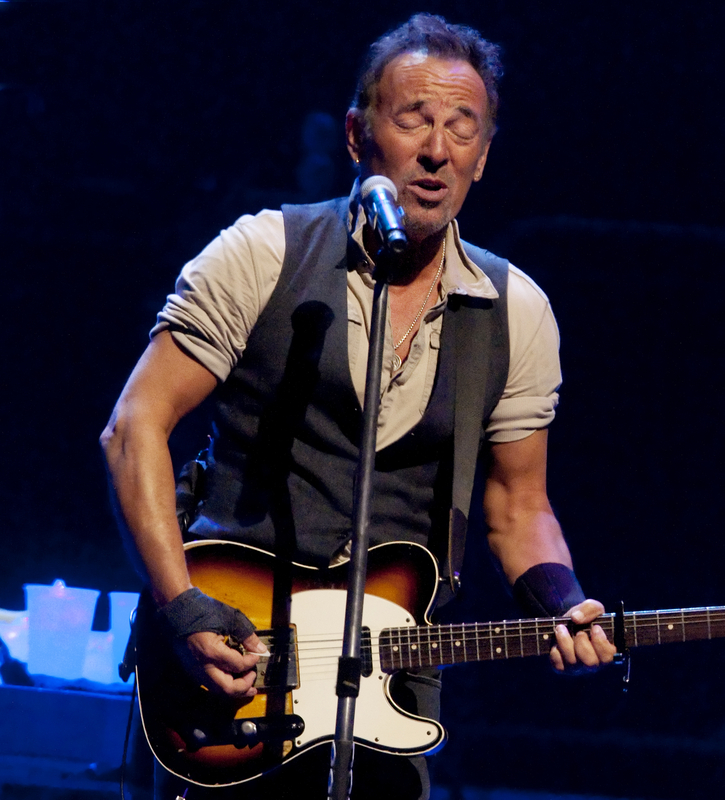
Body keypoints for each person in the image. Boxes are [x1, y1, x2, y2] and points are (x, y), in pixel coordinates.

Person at [101, 13, 616, 800]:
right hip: (229, 666)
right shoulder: (263, 253)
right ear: (356, 134)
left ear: (482, 156)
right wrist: (180, 608)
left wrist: (561, 599)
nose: (436, 150)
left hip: (391, 691)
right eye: (413, 120)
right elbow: (135, 428)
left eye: (462, 129)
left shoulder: (519, 312)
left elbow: (519, 504)